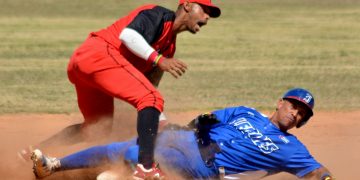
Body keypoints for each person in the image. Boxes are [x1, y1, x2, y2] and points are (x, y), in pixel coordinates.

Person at [19, 0, 221, 178]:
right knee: (150, 99)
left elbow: (149, 88)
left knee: (95, 128)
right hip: (98, 54)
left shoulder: (169, 47)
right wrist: (159, 60)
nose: (206, 17)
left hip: (87, 66)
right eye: (204, 10)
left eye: (210, 14)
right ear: (186, 5)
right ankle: (146, 168)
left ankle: (34, 151)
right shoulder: (158, 15)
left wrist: (162, 123)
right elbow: (128, 35)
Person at [30, 88, 334, 180]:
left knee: (138, 156)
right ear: (280, 102)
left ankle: (142, 175)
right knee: (130, 146)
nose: (296, 114)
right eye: (294, 106)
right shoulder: (245, 112)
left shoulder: (290, 147)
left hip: (206, 167)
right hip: (188, 140)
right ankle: (53, 166)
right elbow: (208, 119)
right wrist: (198, 121)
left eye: (302, 114)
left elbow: (318, 172)